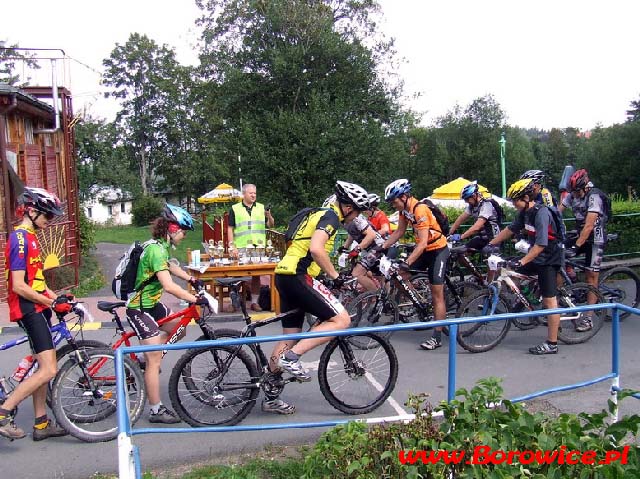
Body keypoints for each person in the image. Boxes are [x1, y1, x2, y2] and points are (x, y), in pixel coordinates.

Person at [267, 181, 369, 414]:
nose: (356, 218)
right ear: (348, 207)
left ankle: (270, 394)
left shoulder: (316, 214)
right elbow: (316, 249)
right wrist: (334, 275)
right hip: (298, 276)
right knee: (342, 320)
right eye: (357, 211)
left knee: (289, 337)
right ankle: (292, 359)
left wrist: (324, 274)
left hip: (284, 274)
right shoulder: (331, 217)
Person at [126, 204, 206, 424]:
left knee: (179, 329)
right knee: (155, 360)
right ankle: (156, 410)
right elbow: (168, 285)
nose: (184, 235)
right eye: (183, 231)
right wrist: (195, 299)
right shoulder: (155, 250)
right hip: (139, 308)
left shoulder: (160, 246)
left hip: (151, 304)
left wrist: (191, 279)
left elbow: (170, 266)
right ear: (171, 228)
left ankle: (145, 355)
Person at [0, 187, 70, 440]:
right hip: (29, 309)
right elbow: (19, 285)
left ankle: (41, 423)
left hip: (38, 306)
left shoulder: (30, 237)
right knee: (49, 369)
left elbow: (36, 281)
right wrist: (50, 304)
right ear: (30, 210)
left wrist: (57, 297)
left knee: (41, 366)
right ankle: (3, 412)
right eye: (47, 216)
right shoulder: (19, 239)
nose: (49, 221)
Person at [484, 178, 565, 355]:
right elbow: (510, 230)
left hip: (549, 258)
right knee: (511, 273)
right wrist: (492, 243)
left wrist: (523, 261)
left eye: (516, 200)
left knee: (549, 300)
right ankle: (528, 300)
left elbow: (541, 244)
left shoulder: (541, 213)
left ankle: (552, 344)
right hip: (535, 256)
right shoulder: (524, 212)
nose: (513, 204)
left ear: (527, 197)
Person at [381, 179, 450, 351]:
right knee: (398, 278)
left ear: (404, 197)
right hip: (424, 250)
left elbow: (423, 242)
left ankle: (437, 336)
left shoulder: (420, 209)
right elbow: (399, 231)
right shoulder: (404, 211)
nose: (393, 205)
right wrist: (381, 247)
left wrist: (407, 262)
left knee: (436, 294)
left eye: (394, 201)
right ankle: (419, 302)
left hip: (437, 251)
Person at [558, 169, 608, 329]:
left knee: (591, 276)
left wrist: (576, 246)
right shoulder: (572, 194)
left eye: (578, 191)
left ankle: (588, 318)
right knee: (557, 256)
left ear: (585, 187)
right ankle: (566, 296)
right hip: (580, 233)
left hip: (595, 237)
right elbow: (557, 212)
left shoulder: (594, 196)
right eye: (573, 191)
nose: (575, 195)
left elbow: (589, 226)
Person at [227, 183, 275, 311]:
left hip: (258, 246)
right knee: (236, 274)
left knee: (256, 275)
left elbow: (271, 225)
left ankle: (254, 302)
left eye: (255, 193)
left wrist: (269, 216)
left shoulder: (261, 208)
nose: (253, 195)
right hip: (241, 245)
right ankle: (234, 302)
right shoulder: (235, 208)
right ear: (244, 194)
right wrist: (232, 246)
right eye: (251, 193)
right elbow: (230, 228)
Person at [339, 198, 385, 292]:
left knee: (357, 273)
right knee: (376, 275)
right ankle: (386, 296)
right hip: (368, 248)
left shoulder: (357, 219)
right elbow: (352, 235)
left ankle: (379, 298)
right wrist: (344, 248)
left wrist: (357, 249)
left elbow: (371, 235)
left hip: (377, 246)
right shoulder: (344, 221)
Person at [448, 181, 501, 251]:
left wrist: (461, 237)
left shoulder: (487, 205)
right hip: (482, 238)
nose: (466, 201)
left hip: (494, 240)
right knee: (459, 250)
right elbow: (461, 218)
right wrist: (450, 232)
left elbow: (477, 227)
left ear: (474, 196)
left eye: (467, 199)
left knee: (487, 254)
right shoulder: (472, 206)